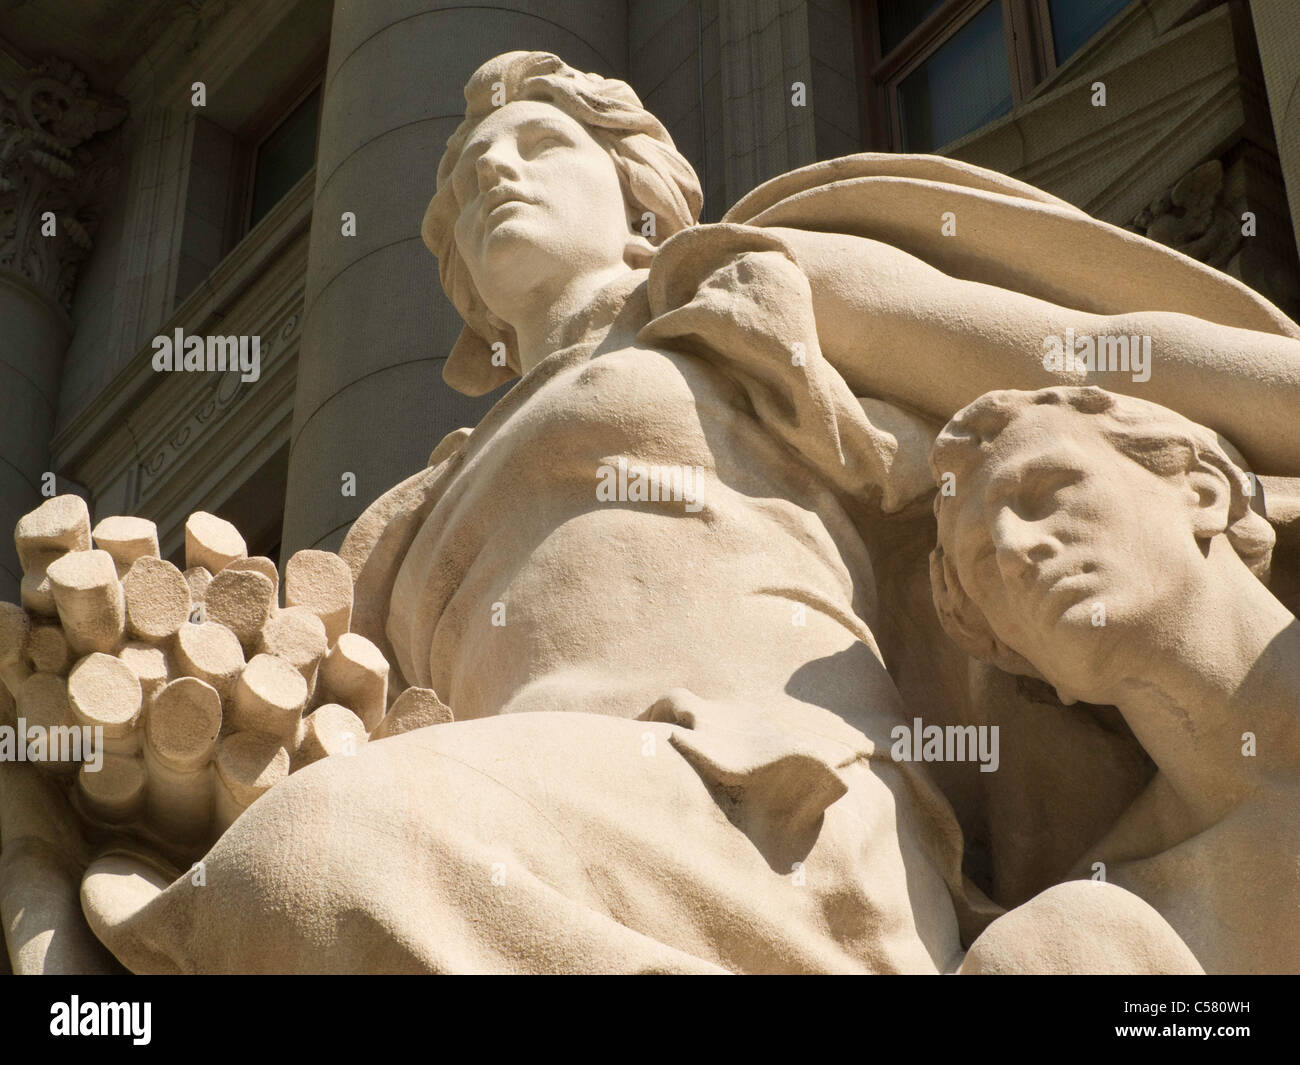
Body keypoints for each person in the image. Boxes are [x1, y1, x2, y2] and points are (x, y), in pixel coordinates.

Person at [65, 51, 1300, 973]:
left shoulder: (740, 292)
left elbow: (1098, 354)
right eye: (464, 179)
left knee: (320, 863)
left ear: (641, 194)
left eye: (541, 147)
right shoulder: (399, 516)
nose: (496, 169)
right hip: (536, 816)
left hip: (760, 793)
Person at [931, 385, 1300, 973]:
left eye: (1047, 492)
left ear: (1202, 492)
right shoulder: (1098, 932)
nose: (1012, 551)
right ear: (1024, 660)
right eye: (982, 561)